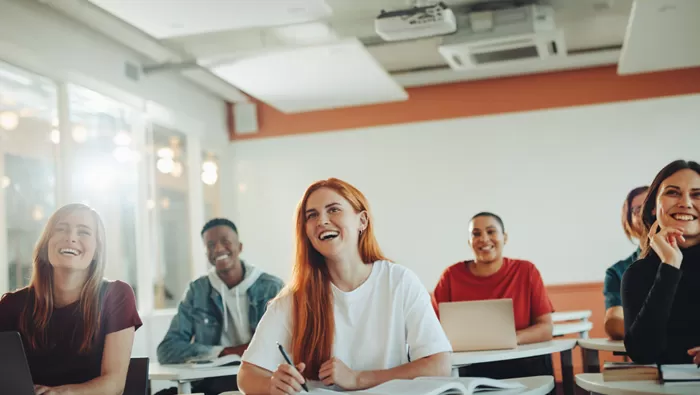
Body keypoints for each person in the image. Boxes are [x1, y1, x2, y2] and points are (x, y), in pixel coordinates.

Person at [237, 178, 452, 395]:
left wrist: (359, 379)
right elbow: (246, 375)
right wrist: (271, 385)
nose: (322, 220)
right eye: (312, 215)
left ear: (362, 221)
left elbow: (439, 365)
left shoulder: (399, 282)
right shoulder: (294, 299)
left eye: (333, 210)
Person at [0, 203, 142, 395]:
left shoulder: (116, 296)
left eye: (83, 232)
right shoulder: (11, 305)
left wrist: (60, 393)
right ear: (46, 245)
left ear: (96, 251)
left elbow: (114, 383)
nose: (71, 237)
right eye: (61, 229)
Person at [156, 218, 284, 395]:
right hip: (212, 383)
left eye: (225, 241)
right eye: (210, 245)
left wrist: (251, 351)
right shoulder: (197, 291)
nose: (218, 249)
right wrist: (225, 352)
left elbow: (286, 345)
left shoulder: (272, 287)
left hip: (260, 380)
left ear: (239, 247)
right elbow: (167, 349)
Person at [432, 212, 554, 379]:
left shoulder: (526, 271)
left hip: (521, 362)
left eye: (491, 232)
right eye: (476, 234)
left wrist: (510, 339)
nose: (484, 239)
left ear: (505, 237)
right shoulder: (451, 276)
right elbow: (433, 329)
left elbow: (546, 328)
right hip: (469, 366)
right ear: (469, 242)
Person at [622, 159, 700, 364]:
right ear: (654, 208)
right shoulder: (637, 273)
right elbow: (642, 353)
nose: (686, 203)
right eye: (673, 192)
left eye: (697, 194)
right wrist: (670, 266)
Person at [603, 186, 649, 340]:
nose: (646, 213)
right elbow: (613, 321)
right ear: (628, 220)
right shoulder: (617, 271)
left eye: (652, 206)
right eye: (638, 210)